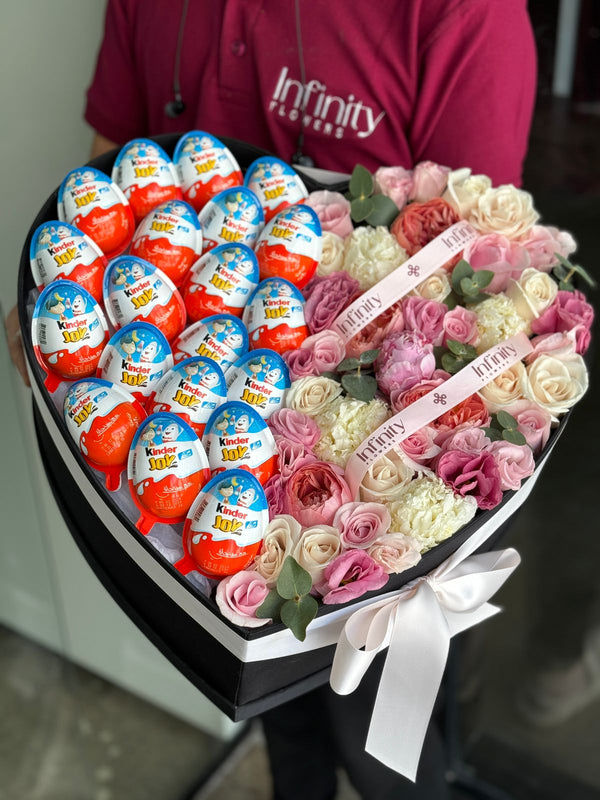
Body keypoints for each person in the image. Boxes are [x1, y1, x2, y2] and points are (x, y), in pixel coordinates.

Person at [7, 2, 537, 798]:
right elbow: (121, 165)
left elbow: (481, 287)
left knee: (392, 761)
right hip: (220, 530)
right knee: (280, 730)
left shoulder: (464, 16)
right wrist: (70, 301)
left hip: (376, 520)